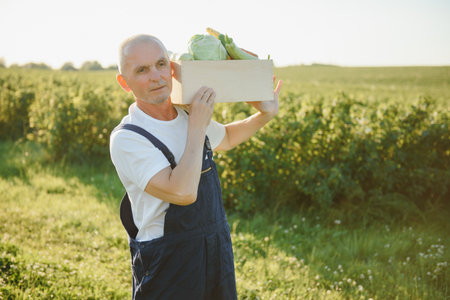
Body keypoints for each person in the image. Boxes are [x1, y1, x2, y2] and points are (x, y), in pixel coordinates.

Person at [109, 34, 282, 300]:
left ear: (173, 68)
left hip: (215, 248)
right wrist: (198, 126)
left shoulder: (186, 116)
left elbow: (228, 137)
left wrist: (264, 115)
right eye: (142, 70)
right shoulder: (129, 138)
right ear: (124, 82)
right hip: (168, 261)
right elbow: (183, 192)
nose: (156, 76)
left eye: (161, 64)